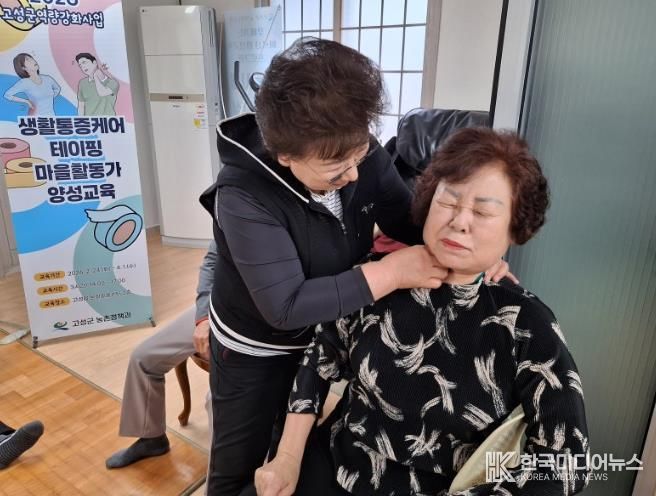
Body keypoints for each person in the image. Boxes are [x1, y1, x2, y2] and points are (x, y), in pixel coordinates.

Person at [199, 38, 512, 496]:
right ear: (286, 155)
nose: (353, 174)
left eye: (359, 153)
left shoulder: (353, 149)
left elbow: (406, 219)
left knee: (293, 450)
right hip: (257, 347)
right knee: (240, 468)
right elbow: (285, 306)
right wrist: (392, 273)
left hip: (322, 340)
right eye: (334, 167)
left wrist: (473, 249)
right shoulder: (244, 195)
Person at [255, 127, 591, 496]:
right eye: (448, 202)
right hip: (338, 468)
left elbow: (566, 462)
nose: (459, 222)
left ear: (515, 227)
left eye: (482, 211)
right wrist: (287, 457)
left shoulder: (525, 323)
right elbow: (319, 362)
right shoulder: (379, 278)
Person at [105, 241, 216, 469]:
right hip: (217, 306)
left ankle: (229, 473)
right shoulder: (227, 217)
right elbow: (211, 263)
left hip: (258, 320)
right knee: (144, 358)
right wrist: (203, 317)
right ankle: (151, 438)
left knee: (216, 399)